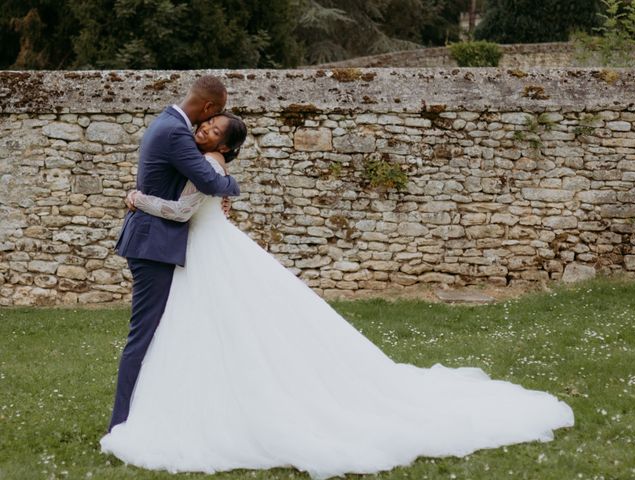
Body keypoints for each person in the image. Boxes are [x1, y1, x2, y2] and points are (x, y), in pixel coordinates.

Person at [100, 113, 574, 480]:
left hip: (206, 250)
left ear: (224, 145)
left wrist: (137, 198)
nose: (203, 129)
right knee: (206, 329)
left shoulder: (207, 163)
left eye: (212, 128)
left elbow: (183, 211)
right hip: (204, 252)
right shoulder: (211, 163)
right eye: (204, 123)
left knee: (227, 327)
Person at [107, 76, 241, 433]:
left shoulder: (167, 124)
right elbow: (211, 183)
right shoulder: (175, 132)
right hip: (153, 244)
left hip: (158, 243)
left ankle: (155, 411)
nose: (208, 128)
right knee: (144, 334)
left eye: (216, 129)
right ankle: (121, 423)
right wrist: (232, 183)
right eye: (212, 120)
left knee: (163, 332)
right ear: (209, 108)